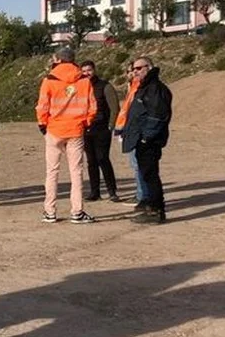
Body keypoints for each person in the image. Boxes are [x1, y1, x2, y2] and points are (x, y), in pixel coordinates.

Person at [35, 46, 98, 224]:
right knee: (76, 172)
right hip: (76, 130)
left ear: (58, 59)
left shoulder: (49, 79)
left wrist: (43, 124)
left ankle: (50, 211)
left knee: (52, 171)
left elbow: (42, 105)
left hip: (54, 129)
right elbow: (92, 106)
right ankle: (77, 211)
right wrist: (86, 122)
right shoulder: (84, 80)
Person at [121, 56, 173, 224]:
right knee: (146, 173)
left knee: (151, 175)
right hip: (140, 139)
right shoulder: (145, 87)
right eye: (134, 69)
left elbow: (157, 116)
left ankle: (156, 211)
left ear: (148, 67)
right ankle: (149, 205)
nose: (135, 72)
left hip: (149, 141)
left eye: (138, 68)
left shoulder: (155, 88)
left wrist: (146, 137)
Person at [79, 60, 120, 203]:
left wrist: (111, 125)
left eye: (89, 70)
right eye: (83, 71)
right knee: (91, 161)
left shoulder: (105, 86)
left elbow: (114, 107)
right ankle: (94, 191)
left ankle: (112, 191)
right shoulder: (79, 87)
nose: (86, 73)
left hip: (102, 128)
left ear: (94, 70)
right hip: (86, 129)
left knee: (103, 158)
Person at [114, 64, 149, 208]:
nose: (132, 73)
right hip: (129, 129)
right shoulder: (132, 86)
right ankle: (141, 193)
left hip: (137, 131)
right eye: (130, 71)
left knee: (138, 165)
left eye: (136, 70)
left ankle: (143, 196)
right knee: (135, 164)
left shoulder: (140, 87)